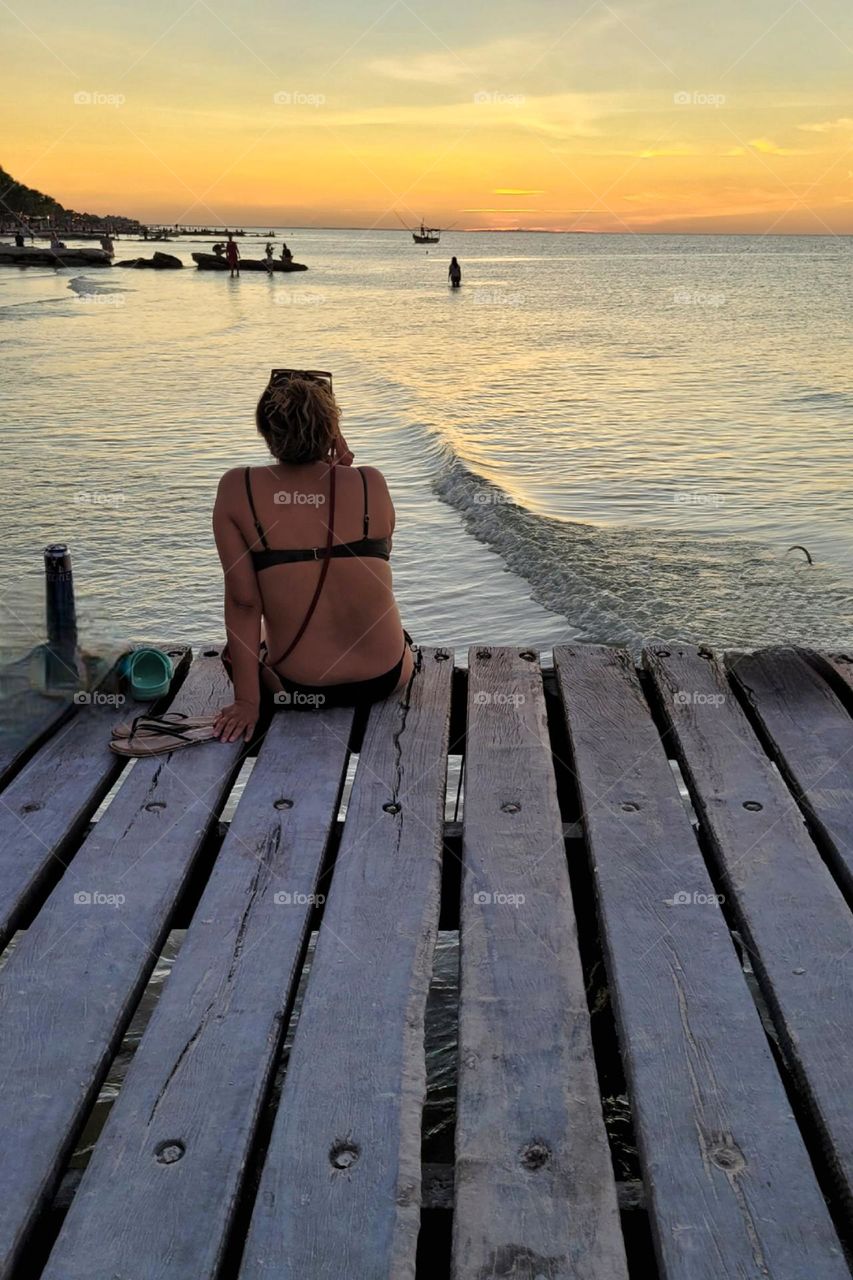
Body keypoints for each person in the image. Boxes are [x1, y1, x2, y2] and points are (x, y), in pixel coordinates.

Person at [212, 374, 413, 742]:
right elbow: (367, 564)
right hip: (386, 676)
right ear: (332, 429)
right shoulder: (372, 484)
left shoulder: (237, 488)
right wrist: (341, 468)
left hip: (299, 685)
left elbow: (243, 603)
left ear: (265, 429)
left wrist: (246, 702)